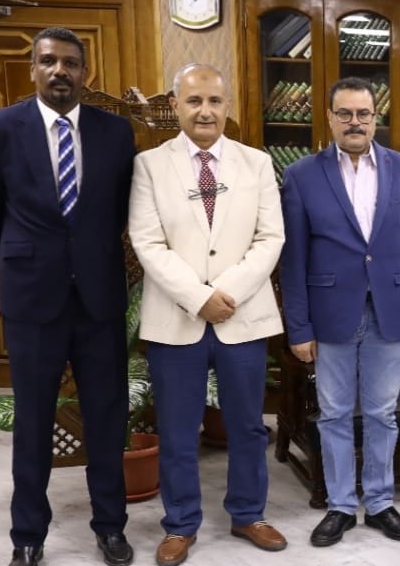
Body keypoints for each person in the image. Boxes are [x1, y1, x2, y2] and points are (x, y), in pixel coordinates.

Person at [0, 27, 136, 566]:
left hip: (99, 299)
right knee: (34, 420)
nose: (59, 71)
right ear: (33, 69)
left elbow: (118, 210)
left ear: (85, 72)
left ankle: (110, 527)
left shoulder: (116, 132)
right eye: (48, 61)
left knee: (106, 417)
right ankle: (27, 535)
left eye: (70, 62)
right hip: (33, 299)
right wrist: (34, 255)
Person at [127, 63, 287, 566]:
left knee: (247, 426)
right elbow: (147, 242)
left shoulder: (256, 163)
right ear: (176, 105)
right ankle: (180, 524)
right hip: (176, 319)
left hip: (243, 315)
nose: (205, 111)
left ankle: (248, 514)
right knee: (178, 431)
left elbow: (271, 238)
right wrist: (198, 297)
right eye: (194, 101)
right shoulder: (150, 165)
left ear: (227, 106)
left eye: (215, 101)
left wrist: (226, 292)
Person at [279, 77, 400, 547]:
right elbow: (293, 260)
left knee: (383, 413)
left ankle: (382, 503)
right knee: (333, 413)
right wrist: (298, 327)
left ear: (374, 118)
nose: (355, 122)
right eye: (345, 114)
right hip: (330, 313)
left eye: (363, 114)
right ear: (329, 118)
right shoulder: (301, 176)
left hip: (391, 311)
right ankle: (341, 506)